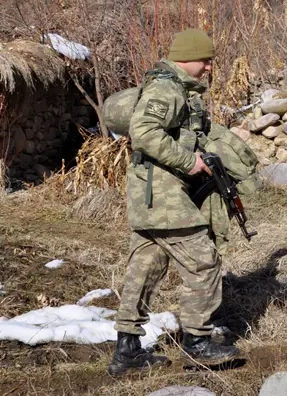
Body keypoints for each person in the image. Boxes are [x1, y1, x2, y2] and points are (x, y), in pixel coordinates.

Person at [109, 29, 242, 376]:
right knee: (204, 262)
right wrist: (188, 161)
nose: (210, 67)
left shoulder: (173, 86)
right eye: (206, 60)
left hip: (149, 197)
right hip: (165, 199)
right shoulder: (168, 89)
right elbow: (144, 131)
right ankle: (198, 344)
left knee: (144, 268)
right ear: (189, 57)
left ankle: (127, 351)